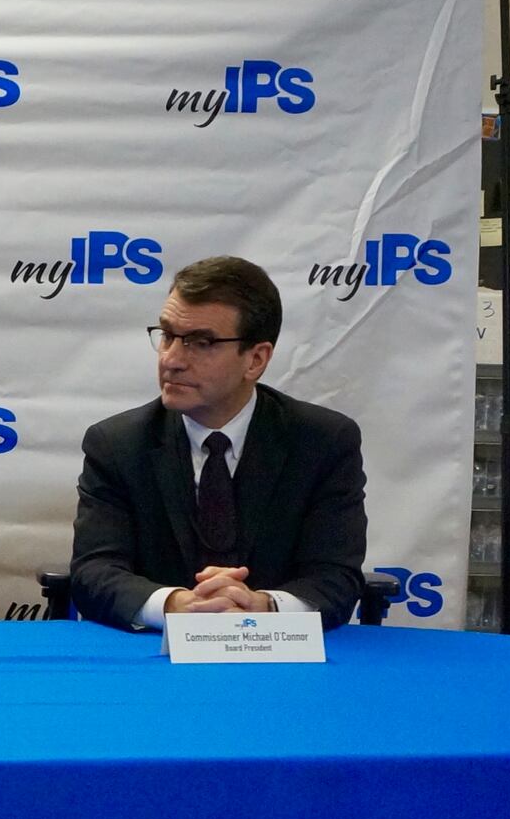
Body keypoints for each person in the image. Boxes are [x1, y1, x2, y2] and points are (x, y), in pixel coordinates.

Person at [71, 255, 366, 631]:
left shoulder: (323, 442)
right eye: (167, 335)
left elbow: (335, 577)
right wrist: (177, 605)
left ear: (255, 360)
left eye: (200, 342)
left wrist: (263, 607)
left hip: (280, 660)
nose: (172, 359)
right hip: (153, 662)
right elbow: (95, 571)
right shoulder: (116, 444)